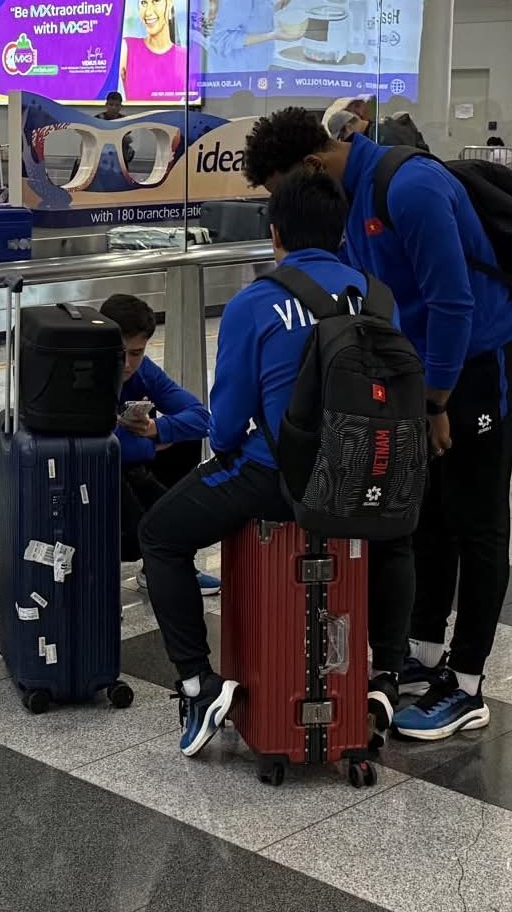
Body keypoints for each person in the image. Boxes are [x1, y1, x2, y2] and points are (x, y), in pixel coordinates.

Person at [243, 108, 512, 742]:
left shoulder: (410, 187)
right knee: (421, 507)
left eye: (284, 189)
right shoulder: (348, 200)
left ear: (312, 164)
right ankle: (424, 655)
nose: (287, 207)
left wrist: (436, 405)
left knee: (477, 516)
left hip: (479, 362)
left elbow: (452, 301)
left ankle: (468, 682)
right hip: (418, 370)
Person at [139, 170, 416, 757]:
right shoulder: (379, 295)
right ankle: (387, 676)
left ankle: (197, 683)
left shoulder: (256, 303)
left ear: (274, 233)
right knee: (395, 539)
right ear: (341, 232)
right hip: (370, 475)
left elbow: (226, 421)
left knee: (160, 535)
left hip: (280, 480)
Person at [100, 294, 220, 597]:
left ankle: (159, 567)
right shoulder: (84, 371)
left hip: (131, 467)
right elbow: (98, 443)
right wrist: (151, 445)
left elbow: (201, 418)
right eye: (121, 353)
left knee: (186, 443)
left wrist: (156, 428)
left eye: (137, 353)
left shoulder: (143, 371)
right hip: (99, 474)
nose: (128, 364)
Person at [120, 0, 189, 102]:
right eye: (144, 2)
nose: (148, 11)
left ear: (170, 1)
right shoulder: (127, 49)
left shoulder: (186, 58)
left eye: (156, 0)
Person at [205, 0, 301, 74]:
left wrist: (277, 6)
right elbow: (223, 39)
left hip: (252, 69)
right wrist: (272, 35)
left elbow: (252, 15)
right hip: (235, 71)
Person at [96, 92, 135, 169]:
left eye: (117, 105)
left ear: (121, 106)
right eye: (111, 105)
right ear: (106, 105)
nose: (113, 108)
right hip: (102, 153)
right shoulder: (98, 119)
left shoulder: (125, 120)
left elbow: (128, 136)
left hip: (119, 153)